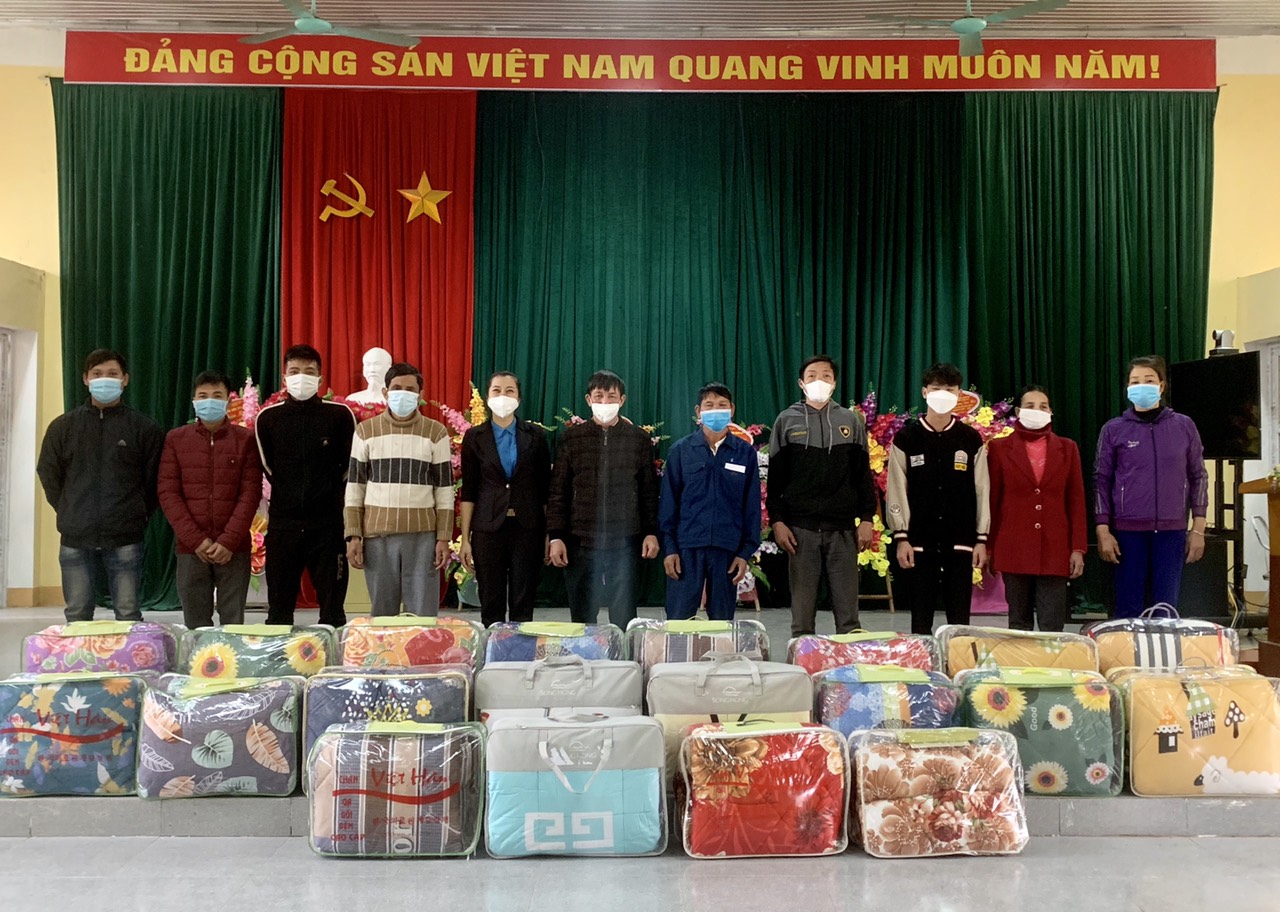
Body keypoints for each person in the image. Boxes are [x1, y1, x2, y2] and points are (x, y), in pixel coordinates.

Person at [37, 348, 164, 622]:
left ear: (125, 379)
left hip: (126, 537)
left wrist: (136, 513)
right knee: (77, 614)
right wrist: (69, 508)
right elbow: (48, 474)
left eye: (112, 374)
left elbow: (154, 480)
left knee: (128, 614)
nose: (104, 379)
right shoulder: (62, 428)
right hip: (75, 537)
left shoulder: (144, 429)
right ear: (85, 379)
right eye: (97, 374)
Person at [767, 354, 878, 635]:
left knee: (849, 618)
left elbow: (862, 476)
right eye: (812, 375)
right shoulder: (786, 421)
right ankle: (802, 662)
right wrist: (777, 521)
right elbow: (776, 480)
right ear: (801, 383)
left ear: (835, 382)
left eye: (826, 376)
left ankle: (848, 662)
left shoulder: (850, 421)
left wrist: (867, 518)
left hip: (843, 531)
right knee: (802, 619)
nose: (820, 381)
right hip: (800, 532)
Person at [1094, 355, 1208, 618]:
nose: (1141, 386)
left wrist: (1198, 529)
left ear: (1162, 385)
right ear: (1127, 387)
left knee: (1165, 609)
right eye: (1135, 381)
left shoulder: (1184, 426)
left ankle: (1162, 646)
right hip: (1127, 533)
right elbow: (1101, 480)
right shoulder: (1113, 430)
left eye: (1149, 380)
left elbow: (1198, 477)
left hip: (1171, 532)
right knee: (1128, 609)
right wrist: (1103, 530)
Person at [547, 370, 661, 628]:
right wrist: (556, 536)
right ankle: (586, 654)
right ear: (589, 400)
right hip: (580, 541)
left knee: (624, 618)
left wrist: (651, 533)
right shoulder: (571, 439)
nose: (605, 402)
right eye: (599, 396)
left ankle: (623, 655)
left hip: (625, 542)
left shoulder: (639, 439)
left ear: (622, 400)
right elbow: (558, 492)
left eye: (611, 396)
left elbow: (648, 491)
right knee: (582, 618)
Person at [254, 344, 356, 627]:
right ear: (285, 377)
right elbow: (268, 467)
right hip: (283, 525)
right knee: (279, 611)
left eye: (309, 372)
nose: (302, 377)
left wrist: (324, 494)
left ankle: (334, 653)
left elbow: (349, 466)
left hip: (328, 526)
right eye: (295, 371)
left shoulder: (340, 416)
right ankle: (279, 654)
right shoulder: (268, 418)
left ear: (320, 378)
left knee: (333, 611)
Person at [885, 363, 990, 635]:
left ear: (959, 395)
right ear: (924, 392)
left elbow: (982, 490)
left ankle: (957, 659)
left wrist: (981, 539)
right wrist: (902, 537)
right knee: (920, 621)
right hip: (920, 542)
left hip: (961, 541)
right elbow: (896, 489)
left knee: (959, 622)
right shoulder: (906, 438)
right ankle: (922, 662)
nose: (942, 394)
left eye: (949, 389)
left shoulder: (971, 439)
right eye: (936, 388)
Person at [344, 362, 454, 617]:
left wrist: (443, 537)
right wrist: (353, 535)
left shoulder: (436, 433)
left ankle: (423, 646)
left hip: (423, 537)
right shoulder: (365, 431)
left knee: (423, 615)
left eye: (410, 389)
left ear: (420, 394)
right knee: (382, 615)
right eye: (396, 388)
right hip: (377, 536)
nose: (403, 394)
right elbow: (355, 487)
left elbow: (444, 489)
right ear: (385, 392)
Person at [157, 370, 263, 628]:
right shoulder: (176, 439)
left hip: (234, 549)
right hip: (191, 549)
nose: (209, 401)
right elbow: (168, 492)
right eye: (203, 396)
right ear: (194, 400)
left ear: (228, 400)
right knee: (196, 625)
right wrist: (196, 540)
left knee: (233, 625)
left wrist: (228, 541)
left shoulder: (245, 439)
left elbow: (250, 493)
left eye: (217, 395)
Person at [986, 385, 1087, 632]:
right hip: (1013, 546)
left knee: (1052, 624)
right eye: (1030, 406)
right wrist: (988, 546)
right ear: (1018, 411)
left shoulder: (1068, 448)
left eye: (1043, 406)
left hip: (1055, 548)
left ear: (1051, 412)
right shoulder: (999, 448)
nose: (1037, 410)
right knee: (1018, 623)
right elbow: (992, 501)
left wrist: (1078, 548)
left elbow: (1076, 501)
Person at [659, 383, 762, 621]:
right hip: (687, 548)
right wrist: (670, 549)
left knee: (722, 623)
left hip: (727, 551)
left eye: (722, 405)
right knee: (679, 622)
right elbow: (668, 505)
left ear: (732, 409)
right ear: (698, 411)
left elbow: (751, 507)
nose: (716, 410)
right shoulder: (681, 451)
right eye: (709, 405)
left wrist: (744, 553)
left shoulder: (744, 453)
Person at [459, 371, 552, 627]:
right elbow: (469, 491)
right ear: (488, 397)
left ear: (518, 398)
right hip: (488, 528)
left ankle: (521, 649)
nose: (503, 395)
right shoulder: (474, 437)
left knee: (524, 599)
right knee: (491, 601)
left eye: (509, 391)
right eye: (497, 390)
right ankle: (493, 648)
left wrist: (548, 534)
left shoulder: (536, 436)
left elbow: (545, 489)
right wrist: (465, 539)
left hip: (528, 527)